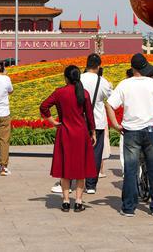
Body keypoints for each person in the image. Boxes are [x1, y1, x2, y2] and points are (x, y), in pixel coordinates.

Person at [105, 53, 153, 217]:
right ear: (144, 68)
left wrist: (115, 124)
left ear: (133, 68)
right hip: (150, 131)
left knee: (131, 170)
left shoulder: (125, 84)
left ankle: (129, 207)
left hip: (131, 132)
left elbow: (109, 105)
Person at [41, 65, 96, 212]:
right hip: (81, 133)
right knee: (80, 169)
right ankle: (78, 201)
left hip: (64, 132)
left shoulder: (60, 93)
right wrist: (93, 132)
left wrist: (52, 121)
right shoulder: (84, 93)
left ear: (66, 78)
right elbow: (90, 115)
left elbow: (44, 106)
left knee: (66, 168)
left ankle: (65, 201)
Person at [79, 53, 112, 195]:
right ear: (98, 66)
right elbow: (112, 98)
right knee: (96, 153)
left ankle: (77, 178)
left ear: (86, 64)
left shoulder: (78, 79)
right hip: (97, 121)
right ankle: (91, 184)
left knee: (79, 151)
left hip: (80, 120)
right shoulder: (102, 81)